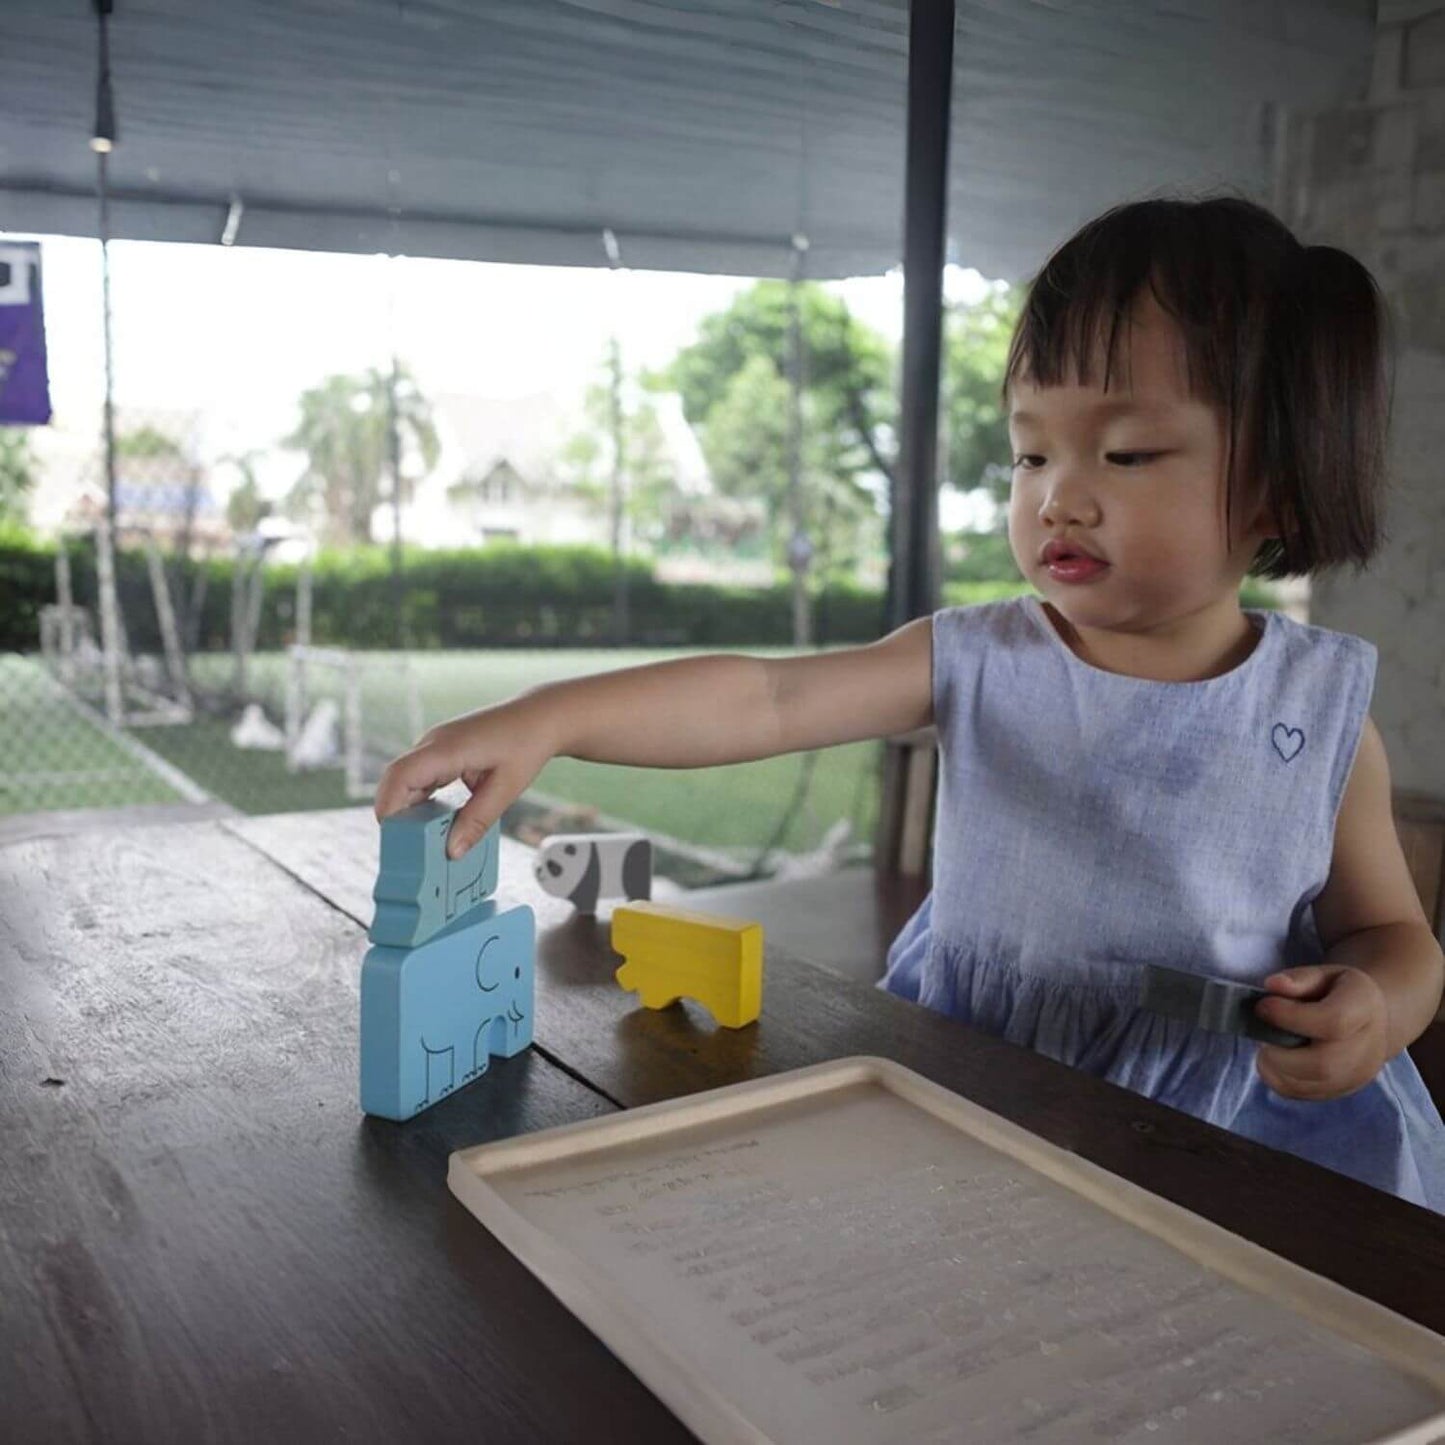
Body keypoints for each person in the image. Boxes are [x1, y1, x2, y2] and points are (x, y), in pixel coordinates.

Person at [375, 194, 1445, 1211]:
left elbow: (1390, 931)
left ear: (1275, 482)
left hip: (1218, 1135)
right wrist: (550, 716)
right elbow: (766, 697)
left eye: (1124, 451)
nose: (1056, 495)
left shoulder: (1319, 716)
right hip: (976, 1077)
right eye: (1029, 450)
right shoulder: (979, 657)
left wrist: (1375, 1004)